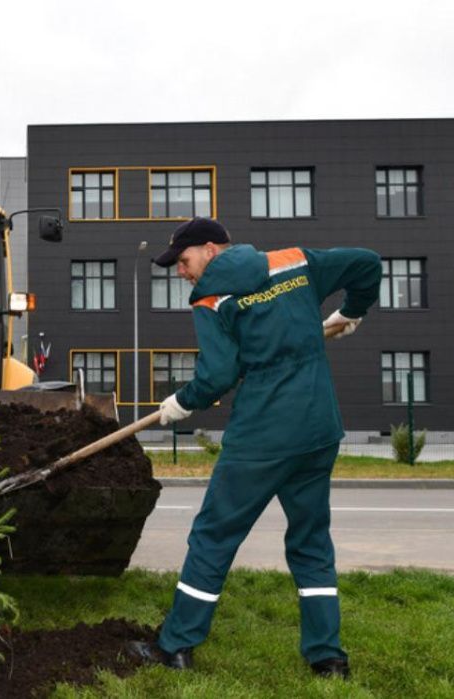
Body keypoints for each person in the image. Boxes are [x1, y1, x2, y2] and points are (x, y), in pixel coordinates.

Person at [128, 217, 380, 679]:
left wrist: (182, 403)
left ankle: (176, 646)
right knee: (310, 541)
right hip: (317, 429)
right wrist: (352, 310)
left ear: (210, 249)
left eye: (183, 262)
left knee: (213, 536)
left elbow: (220, 375)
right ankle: (328, 658)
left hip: (262, 438)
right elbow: (367, 263)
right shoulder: (295, 263)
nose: (181, 272)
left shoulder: (210, 300)